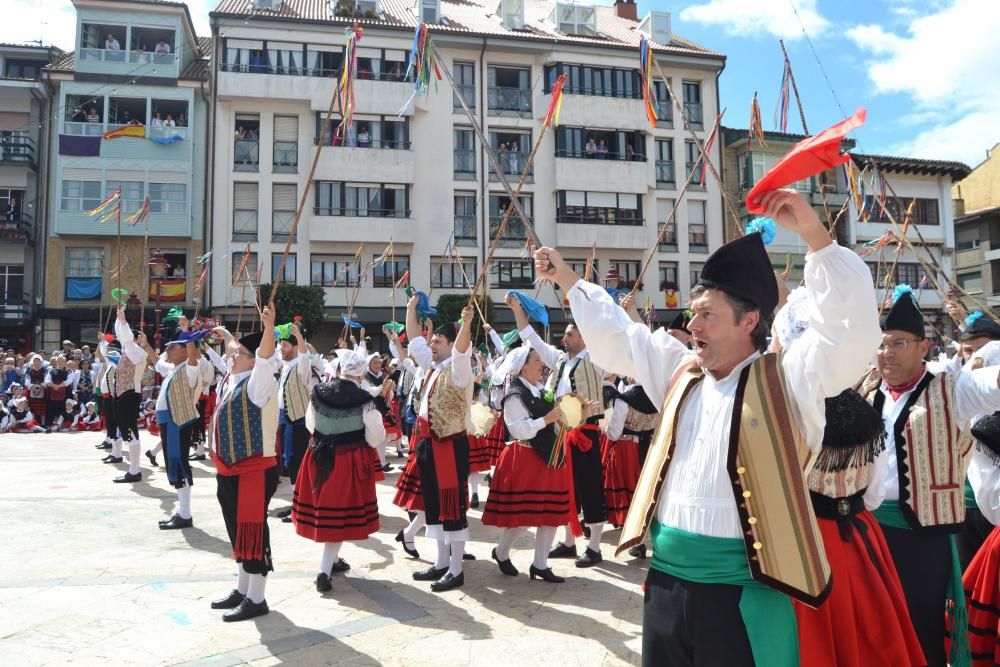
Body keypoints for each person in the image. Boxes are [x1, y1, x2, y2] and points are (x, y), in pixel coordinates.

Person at [533, 188, 882, 666]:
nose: (692, 323)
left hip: (743, 593)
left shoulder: (792, 379)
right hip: (665, 583)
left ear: (750, 321)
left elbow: (846, 330)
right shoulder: (680, 371)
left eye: (707, 313)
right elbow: (621, 335)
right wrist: (567, 277)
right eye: (694, 312)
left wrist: (815, 235)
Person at [860, 291, 1000, 667]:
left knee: (921, 625)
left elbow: (995, 382)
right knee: (875, 626)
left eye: (898, 344)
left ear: (924, 346)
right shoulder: (867, 391)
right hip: (869, 531)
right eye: (882, 345)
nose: (886, 352)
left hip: (924, 534)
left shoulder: (952, 388)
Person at [509, 296, 607, 568]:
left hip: (586, 432)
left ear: (585, 337)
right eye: (564, 334)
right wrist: (518, 311)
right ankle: (568, 541)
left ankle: (596, 546)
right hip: (562, 434)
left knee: (590, 487)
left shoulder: (597, 360)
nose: (564, 338)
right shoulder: (561, 359)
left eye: (570, 333)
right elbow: (532, 339)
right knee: (566, 488)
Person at [292, 347, 385, 592]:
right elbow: (376, 437)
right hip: (347, 460)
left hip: (318, 455)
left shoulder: (318, 392)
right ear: (362, 374)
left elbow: (310, 425)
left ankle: (332, 561)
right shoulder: (365, 401)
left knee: (330, 513)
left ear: (341, 369)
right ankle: (324, 570)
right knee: (339, 517)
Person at [209, 305, 280, 622]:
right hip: (229, 468)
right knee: (237, 530)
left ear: (252, 359)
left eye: (238, 353)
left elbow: (264, 360)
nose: (231, 357)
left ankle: (257, 597)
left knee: (252, 531)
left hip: (253, 469)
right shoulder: (233, 380)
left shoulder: (258, 382)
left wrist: (268, 328)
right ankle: (242, 588)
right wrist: (226, 337)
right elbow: (231, 354)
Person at [481, 346, 574, 583]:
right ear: (523, 365)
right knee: (522, 516)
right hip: (524, 457)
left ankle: (540, 564)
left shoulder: (542, 390)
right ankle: (502, 552)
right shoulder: (515, 394)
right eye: (536, 360)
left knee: (551, 514)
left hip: (549, 457)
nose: (542, 364)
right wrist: (547, 419)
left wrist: (579, 413)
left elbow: (558, 420)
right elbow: (518, 429)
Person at [405, 296, 475, 592]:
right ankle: (442, 563)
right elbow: (412, 338)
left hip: (449, 445)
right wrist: (410, 310)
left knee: (452, 508)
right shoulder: (431, 365)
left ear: (451, 344)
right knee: (433, 506)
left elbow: (461, 352)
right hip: (427, 444)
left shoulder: (459, 370)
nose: (431, 345)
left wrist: (467, 323)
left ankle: (456, 569)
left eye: (438, 341)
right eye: (432, 341)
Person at [149, 319, 203, 530]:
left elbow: (192, 358)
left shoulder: (190, 368)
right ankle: (183, 512)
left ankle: (185, 513)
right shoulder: (173, 369)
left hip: (177, 421)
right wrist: (146, 346)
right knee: (174, 463)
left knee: (178, 463)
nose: (168, 351)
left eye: (172, 347)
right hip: (169, 420)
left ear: (184, 351)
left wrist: (187, 333)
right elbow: (156, 362)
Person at [275, 325, 314, 521]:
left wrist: (299, 335)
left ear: (295, 348)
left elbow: (305, 356)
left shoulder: (301, 365)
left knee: (294, 461)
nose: (280, 348)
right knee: (288, 462)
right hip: (285, 418)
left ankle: (300, 506)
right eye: (280, 345)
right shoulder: (285, 366)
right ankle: (296, 504)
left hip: (297, 421)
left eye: (284, 345)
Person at [111, 308, 153, 483]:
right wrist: (119, 320)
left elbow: (126, 340)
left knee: (130, 432)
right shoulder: (129, 349)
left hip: (129, 394)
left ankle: (135, 471)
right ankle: (134, 470)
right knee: (128, 432)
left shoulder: (136, 351)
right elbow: (123, 338)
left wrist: (123, 322)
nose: (120, 337)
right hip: (124, 395)